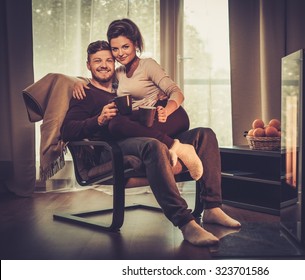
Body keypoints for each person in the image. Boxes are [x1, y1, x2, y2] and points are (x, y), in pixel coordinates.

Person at [61, 40, 241, 247]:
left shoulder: (123, 86)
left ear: (114, 64)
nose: (104, 65)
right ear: (88, 65)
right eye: (97, 61)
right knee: (154, 145)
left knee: (205, 135)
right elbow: (67, 130)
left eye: (108, 60)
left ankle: (212, 208)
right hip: (115, 149)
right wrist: (98, 119)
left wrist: (159, 99)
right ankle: (185, 222)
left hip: (142, 137)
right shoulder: (84, 93)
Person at [73, 18, 202, 180]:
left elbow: (176, 92)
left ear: (135, 44)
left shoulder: (148, 65)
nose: (120, 53)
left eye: (125, 47)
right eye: (115, 49)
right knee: (116, 123)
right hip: (143, 123)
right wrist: (78, 82)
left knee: (117, 124)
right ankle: (170, 149)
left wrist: (166, 111)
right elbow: (99, 75)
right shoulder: (118, 73)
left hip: (167, 117)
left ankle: (179, 149)